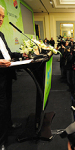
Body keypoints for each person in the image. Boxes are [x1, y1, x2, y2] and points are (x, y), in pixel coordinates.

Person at [0, 5, 27, 149]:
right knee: (1, 109)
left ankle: (9, 125)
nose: (1, 19)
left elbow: (7, 54)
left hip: (7, 75)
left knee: (8, 103)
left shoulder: (1, 34)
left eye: (3, 16)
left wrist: (22, 55)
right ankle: (1, 141)